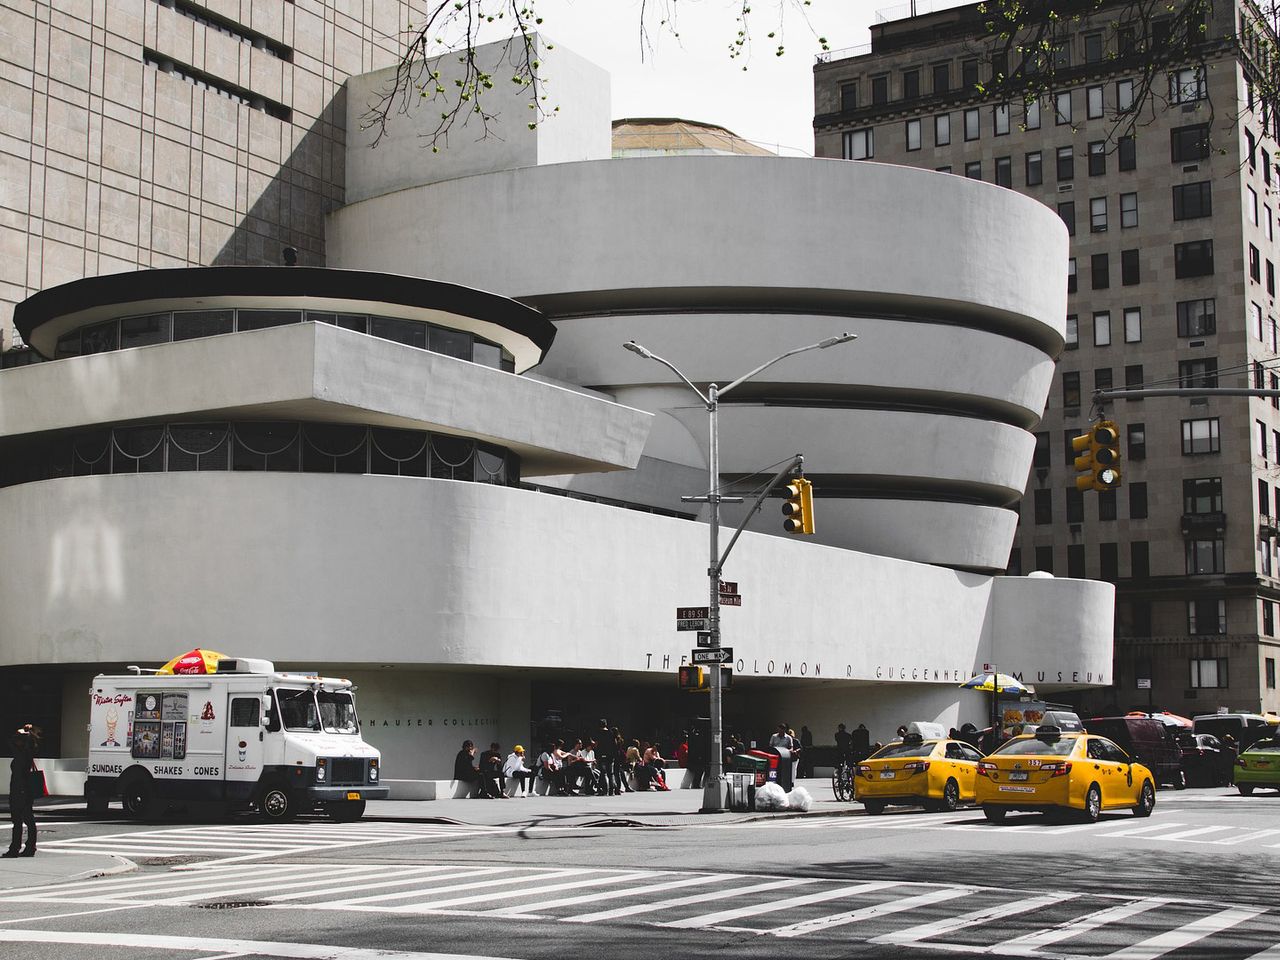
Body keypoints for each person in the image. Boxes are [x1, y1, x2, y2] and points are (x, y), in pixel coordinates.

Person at [6, 724, 40, 858]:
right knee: (27, 819)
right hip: (23, 790)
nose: (15, 740)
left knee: (20, 820)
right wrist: (27, 732)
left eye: (18, 738)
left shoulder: (23, 754)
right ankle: (29, 846)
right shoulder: (24, 753)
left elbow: (9, 741)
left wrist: (27, 732)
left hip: (20, 791)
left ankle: (16, 848)